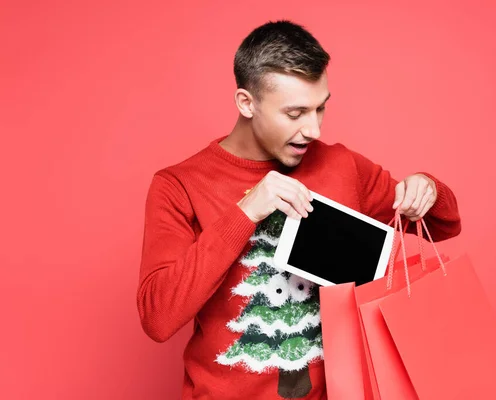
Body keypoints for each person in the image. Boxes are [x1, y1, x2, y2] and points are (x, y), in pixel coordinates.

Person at [137, 19, 461, 400]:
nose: (314, 130)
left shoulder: (342, 166)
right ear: (246, 102)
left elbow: (443, 224)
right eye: (295, 114)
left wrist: (427, 187)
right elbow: (158, 318)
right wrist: (245, 213)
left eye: (320, 108)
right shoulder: (179, 185)